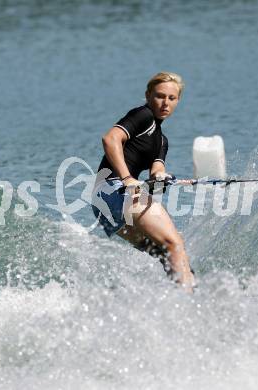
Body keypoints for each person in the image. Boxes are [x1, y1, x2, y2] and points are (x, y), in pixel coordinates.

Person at [92, 72, 195, 292]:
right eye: (160, 96)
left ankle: (182, 296)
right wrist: (127, 178)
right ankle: (190, 304)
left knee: (166, 254)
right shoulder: (144, 115)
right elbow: (110, 139)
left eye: (172, 98)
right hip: (114, 190)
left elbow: (157, 170)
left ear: (178, 101)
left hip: (103, 206)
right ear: (148, 95)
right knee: (175, 245)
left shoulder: (161, 140)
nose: (165, 103)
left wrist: (161, 178)